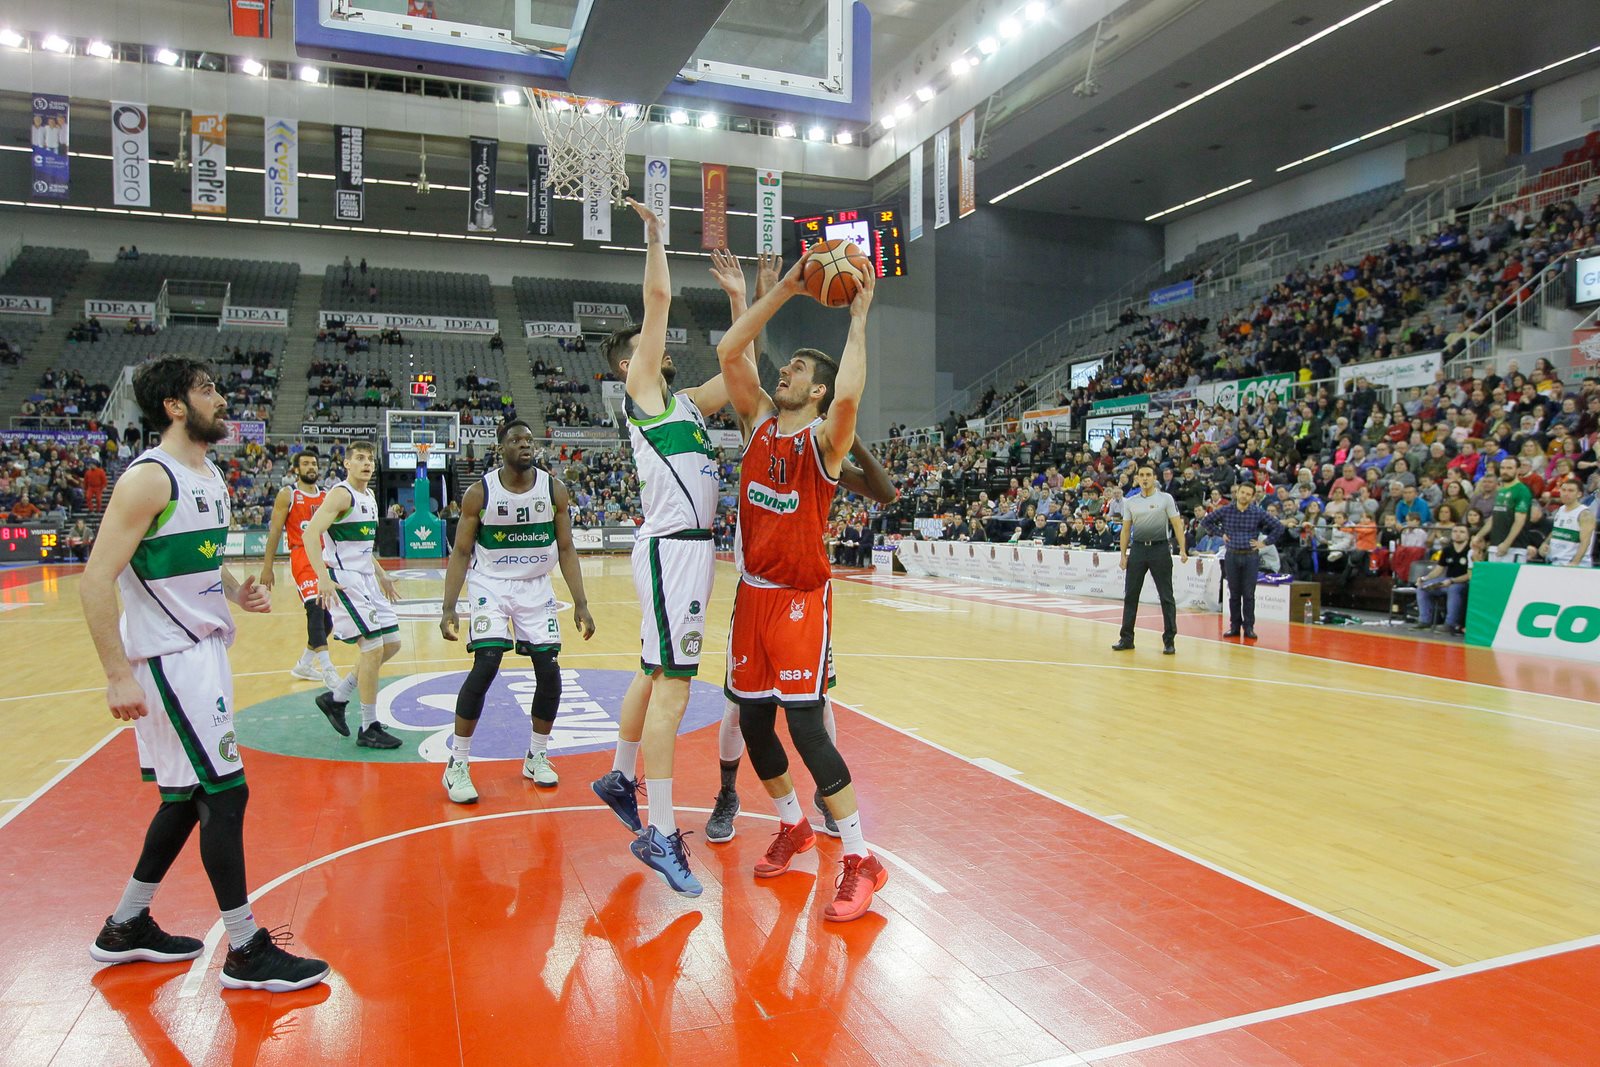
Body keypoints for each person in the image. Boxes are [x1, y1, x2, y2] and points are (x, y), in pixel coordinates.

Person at [80, 356, 328, 992]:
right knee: (225, 794)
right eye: (208, 389)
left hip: (201, 651)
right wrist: (116, 674)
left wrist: (232, 590)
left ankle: (125, 926)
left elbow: (199, 556)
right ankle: (245, 948)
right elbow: (95, 578)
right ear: (174, 406)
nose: (223, 398)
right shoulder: (148, 478)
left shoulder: (208, 473)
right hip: (168, 659)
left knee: (187, 799)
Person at [712, 247, 888, 923]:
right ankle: (792, 824)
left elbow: (849, 393)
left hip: (799, 601)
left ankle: (861, 857)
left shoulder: (824, 443)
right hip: (751, 595)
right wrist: (785, 286)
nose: (783, 369)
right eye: (785, 365)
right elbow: (732, 348)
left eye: (797, 368)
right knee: (755, 725)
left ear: (815, 390)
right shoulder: (757, 421)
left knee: (810, 731)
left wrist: (861, 317)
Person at [588, 203, 731, 898]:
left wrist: (744, 301)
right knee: (674, 688)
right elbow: (659, 297)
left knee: (652, 671)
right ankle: (663, 831)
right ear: (630, 362)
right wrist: (653, 235)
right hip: (674, 553)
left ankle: (620, 773)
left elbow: (737, 377)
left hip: (682, 554)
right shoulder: (642, 389)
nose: (664, 350)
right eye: (649, 345)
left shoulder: (688, 407)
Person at [437, 420, 596, 803]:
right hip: (490, 583)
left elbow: (567, 548)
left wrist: (581, 602)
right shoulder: (481, 493)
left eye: (529, 439)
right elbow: (460, 552)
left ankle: (536, 755)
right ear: (501, 448)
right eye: (515, 440)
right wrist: (448, 607)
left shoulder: (554, 489)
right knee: (488, 662)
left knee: (549, 670)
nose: (525, 445)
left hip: (535, 585)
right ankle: (457, 764)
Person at [303, 441, 404, 749]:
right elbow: (310, 534)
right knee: (372, 649)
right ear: (346, 464)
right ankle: (368, 725)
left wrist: (382, 574)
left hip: (366, 579)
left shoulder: (370, 496)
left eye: (370, 458)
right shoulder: (340, 493)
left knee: (392, 644)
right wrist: (323, 577)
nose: (366, 463)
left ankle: (337, 697)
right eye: (359, 458)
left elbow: (361, 548)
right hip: (344, 579)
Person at [259, 450, 340, 688]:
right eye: (305, 464)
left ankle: (304, 663)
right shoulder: (289, 494)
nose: (310, 467)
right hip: (302, 556)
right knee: (315, 610)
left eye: (314, 463)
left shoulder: (327, 495)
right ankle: (328, 669)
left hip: (324, 558)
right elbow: (274, 531)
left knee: (327, 622)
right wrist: (267, 567)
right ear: (296, 469)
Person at [1112, 465, 1188, 655]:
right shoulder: (1130, 502)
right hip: (1137, 549)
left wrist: (1183, 549)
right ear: (1137, 478)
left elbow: (1177, 525)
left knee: (1166, 596)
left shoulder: (1165, 498)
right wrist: (1123, 554)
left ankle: (1169, 640)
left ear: (1154, 478)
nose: (1145, 478)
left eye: (1148, 475)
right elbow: (1126, 530)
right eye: (1142, 475)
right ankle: (1126, 638)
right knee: (1131, 595)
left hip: (1160, 549)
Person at [1200, 482, 1284, 639]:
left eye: (1248, 494)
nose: (1244, 496)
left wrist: (1264, 543)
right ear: (1237, 493)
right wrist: (1220, 533)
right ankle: (1234, 626)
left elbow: (1278, 527)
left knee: (1249, 594)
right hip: (1231, 555)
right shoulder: (1226, 510)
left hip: (1250, 556)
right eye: (1242, 492)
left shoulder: (1257, 512)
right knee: (1234, 594)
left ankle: (1249, 627)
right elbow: (1206, 521)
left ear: (1252, 497)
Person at [1414, 525, 1473, 632]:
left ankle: (1450, 623)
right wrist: (1424, 578)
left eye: (1462, 532)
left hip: (1464, 583)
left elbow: (1470, 575)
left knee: (1454, 589)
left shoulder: (1470, 551)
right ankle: (1425, 621)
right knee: (1422, 587)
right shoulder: (1447, 550)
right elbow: (1438, 570)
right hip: (1447, 580)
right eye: (1455, 531)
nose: (1458, 534)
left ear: (1468, 536)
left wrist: (1452, 581)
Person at [1475, 456, 1533, 562]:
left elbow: (1519, 521)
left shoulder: (1522, 490)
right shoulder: (1501, 490)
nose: (1505, 471)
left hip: (1514, 548)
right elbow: (1495, 517)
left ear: (1518, 470)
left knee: (1510, 578)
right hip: (1495, 545)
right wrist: (1478, 536)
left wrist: (1507, 543)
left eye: (1509, 468)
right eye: (1503, 468)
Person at [1542, 479, 1595, 567]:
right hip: (1556, 561)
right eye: (1563, 490)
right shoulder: (1561, 509)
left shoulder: (1585, 514)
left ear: (1579, 494)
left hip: (1574, 564)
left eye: (1571, 491)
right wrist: (1545, 543)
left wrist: (1575, 562)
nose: (1566, 493)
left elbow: (1585, 542)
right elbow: (1556, 530)